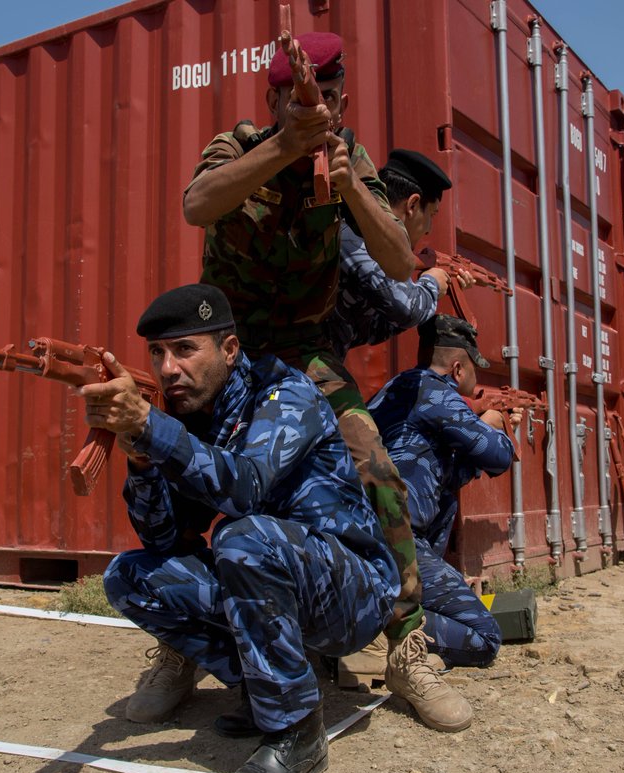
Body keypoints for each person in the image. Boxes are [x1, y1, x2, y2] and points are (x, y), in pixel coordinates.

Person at [183, 33, 471, 731]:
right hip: (232, 354)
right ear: (276, 99)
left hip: (307, 354)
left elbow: (400, 262)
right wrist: (284, 147)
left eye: (337, 99)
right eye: (314, 98)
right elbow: (198, 204)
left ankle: (406, 652)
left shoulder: (350, 158)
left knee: (377, 473)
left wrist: (346, 184)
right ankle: (178, 650)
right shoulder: (239, 144)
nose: (329, 109)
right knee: (182, 482)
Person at [83, 284, 399, 773]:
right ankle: (263, 685)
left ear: (229, 351)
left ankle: (297, 733)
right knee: (131, 577)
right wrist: (141, 460)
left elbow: (245, 486)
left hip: (353, 594)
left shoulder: (286, 395)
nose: (167, 369)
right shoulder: (194, 414)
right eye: (157, 354)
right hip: (270, 573)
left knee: (241, 536)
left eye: (185, 350)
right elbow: (163, 537)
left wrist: (150, 427)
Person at [368, 315, 518, 668]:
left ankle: (369, 617)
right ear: (457, 369)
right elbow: (497, 456)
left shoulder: (394, 391)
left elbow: (441, 476)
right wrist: (492, 426)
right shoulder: (433, 391)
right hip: (397, 541)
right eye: (475, 369)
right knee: (484, 637)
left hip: (373, 536)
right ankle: (375, 629)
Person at [325, 147, 474, 360]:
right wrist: (431, 284)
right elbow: (406, 310)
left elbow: (373, 328)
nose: (429, 228)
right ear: (412, 204)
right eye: (431, 214)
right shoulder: (356, 234)